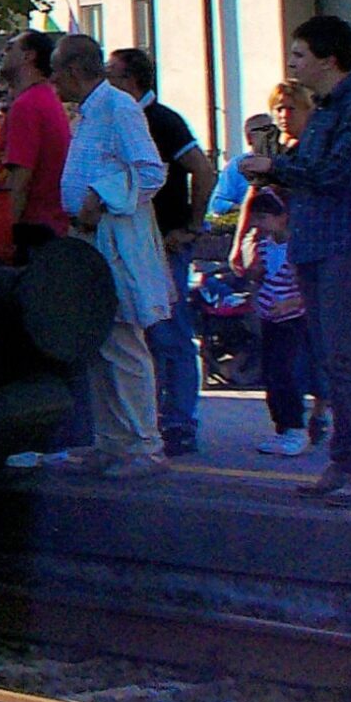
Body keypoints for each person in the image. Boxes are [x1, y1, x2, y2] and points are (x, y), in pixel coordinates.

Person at [236, 15, 351, 506]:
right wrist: (274, 173)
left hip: (349, 248)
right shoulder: (324, 111)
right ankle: (343, 462)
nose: (291, 63)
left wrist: (275, 165)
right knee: (331, 359)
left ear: (329, 60)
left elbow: (335, 173)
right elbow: (311, 171)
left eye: (300, 54)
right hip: (314, 246)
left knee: (346, 357)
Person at [49, 33, 172, 476]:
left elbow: (150, 171)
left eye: (56, 72)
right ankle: (112, 441)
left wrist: (100, 196)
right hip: (91, 237)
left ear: (73, 70)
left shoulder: (119, 107)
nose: (52, 81)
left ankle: (144, 446)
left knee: (122, 340)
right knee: (99, 341)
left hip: (113, 239)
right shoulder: (91, 111)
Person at [107, 48, 216, 456]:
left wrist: (192, 225)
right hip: (134, 242)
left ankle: (180, 421)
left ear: (131, 81)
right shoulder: (120, 119)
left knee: (170, 333)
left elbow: (202, 170)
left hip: (164, 244)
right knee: (143, 333)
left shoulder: (162, 120)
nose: (106, 83)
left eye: (112, 75)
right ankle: (150, 418)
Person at [231, 190, 319, 453]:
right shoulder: (264, 247)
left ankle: (296, 428)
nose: (259, 224)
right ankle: (282, 428)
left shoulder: (297, 250)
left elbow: (309, 289)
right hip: (269, 317)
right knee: (270, 374)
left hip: (292, 319)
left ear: (283, 217)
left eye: (264, 217)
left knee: (285, 372)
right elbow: (258, 276)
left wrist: (291, 304)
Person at [0, 31, 72, 257]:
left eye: (10, 47)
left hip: (32, 232)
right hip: (51, 228)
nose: (2, 52)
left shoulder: (27, 106)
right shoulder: (46, 98)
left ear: (28, 56)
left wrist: (2, 236)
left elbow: (20, 180)